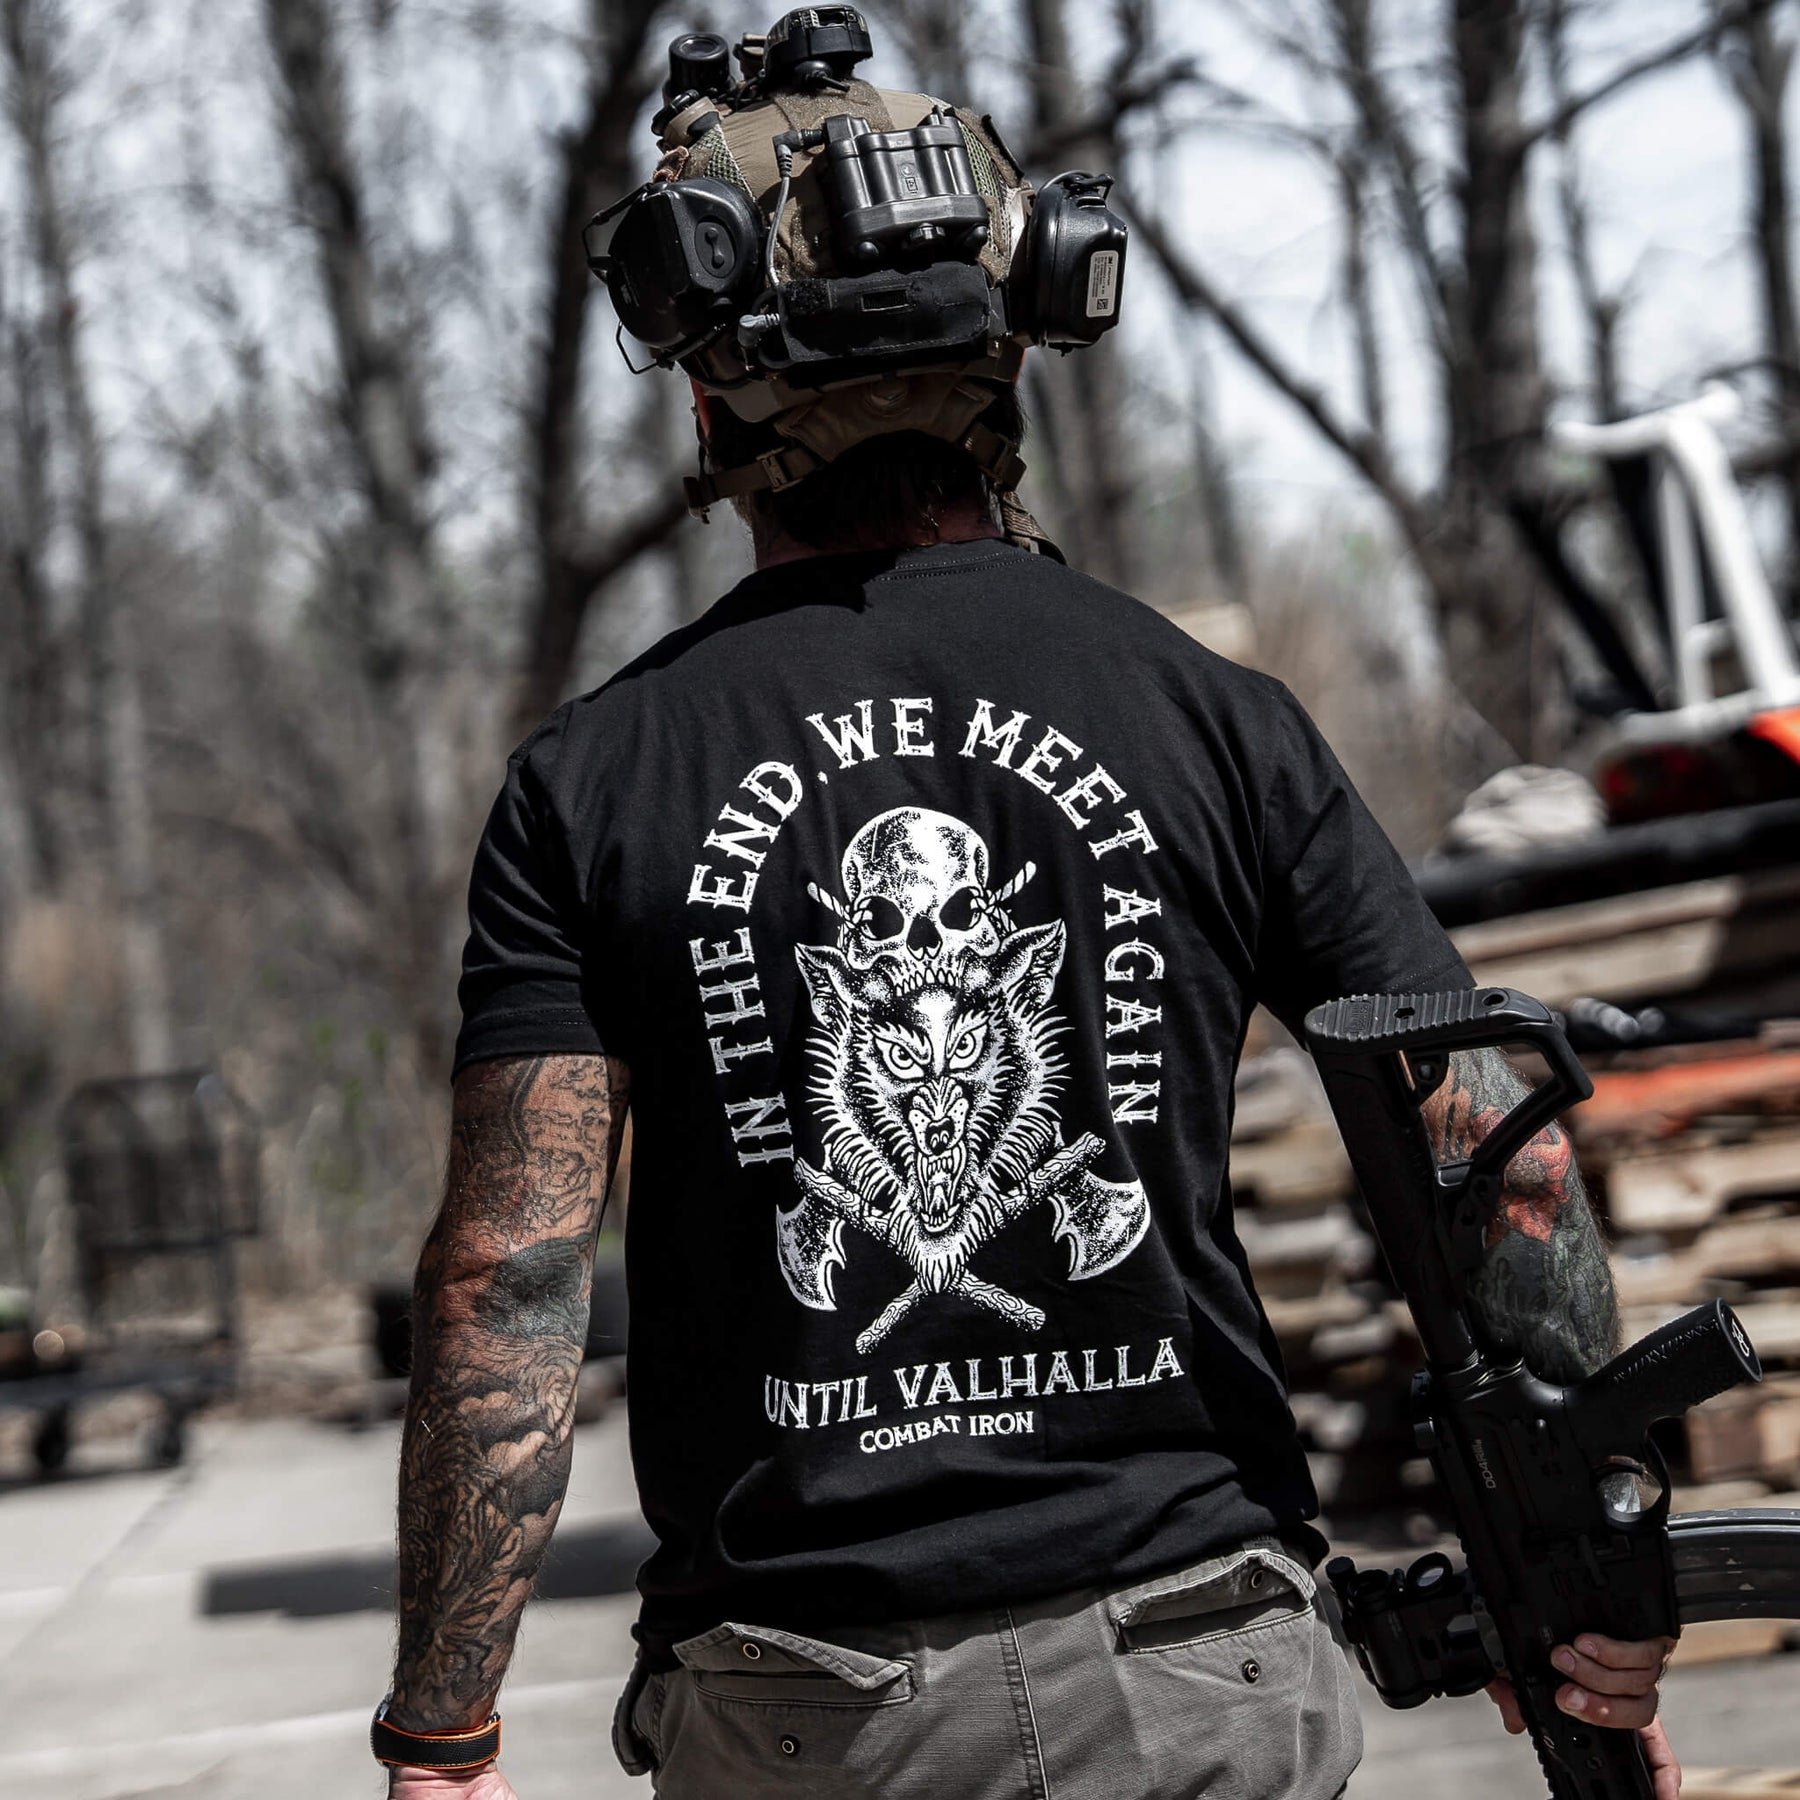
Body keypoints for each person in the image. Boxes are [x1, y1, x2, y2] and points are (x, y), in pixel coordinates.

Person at [373, 17, 1679, 1798]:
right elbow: (1491, 1147)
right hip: (1201, 1677)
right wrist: (1586, 1595)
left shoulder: (594, 781)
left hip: (814, 1723)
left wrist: (443, 1724)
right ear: (1017, 342)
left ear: (705, 393)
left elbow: (509, 1277)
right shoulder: (1212, 718)